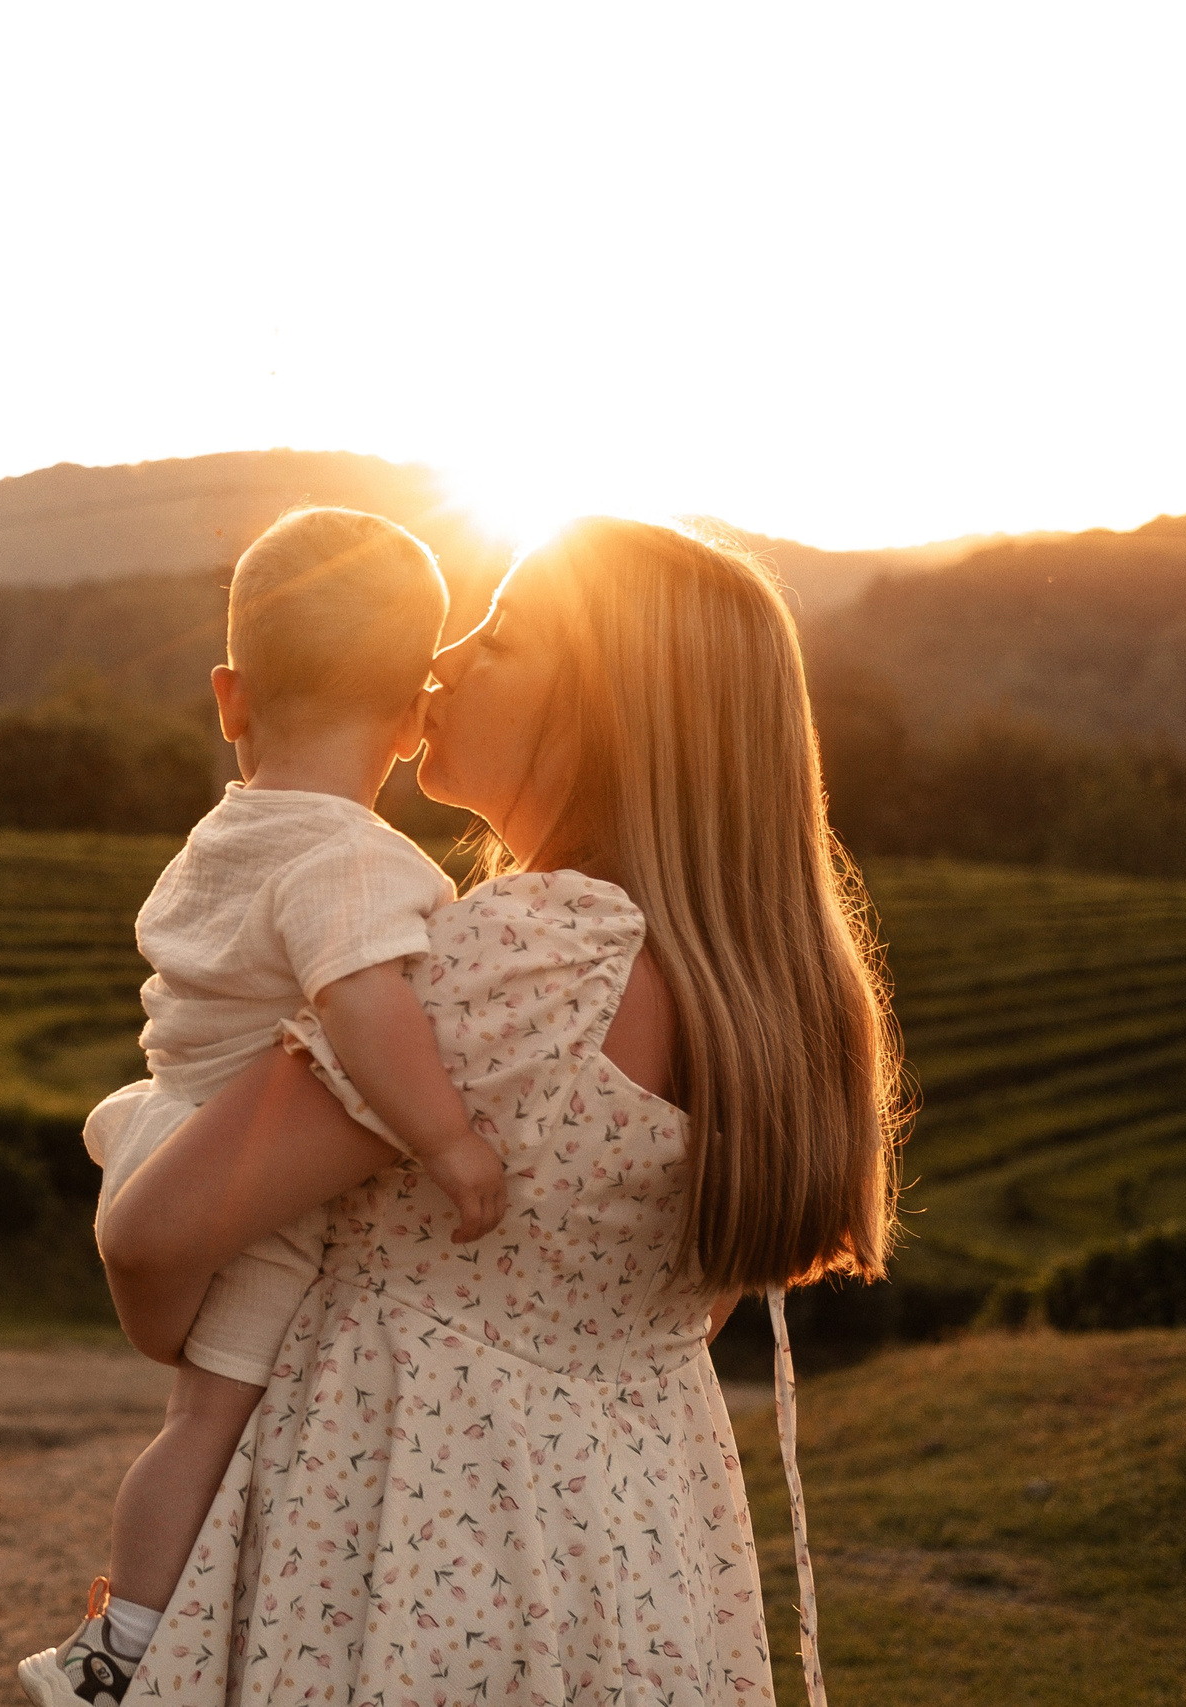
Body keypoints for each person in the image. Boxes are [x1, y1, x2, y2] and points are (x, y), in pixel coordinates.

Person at [95, 517, 901, 1706]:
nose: (443, 658)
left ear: (605, 709)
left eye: (500, 635)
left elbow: (151, 1232)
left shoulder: (537, 955)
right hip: (636, 1555)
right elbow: (681, 1302)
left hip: (407, 1540)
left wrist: (192, 1346)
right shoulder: (766, 996)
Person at [21, 507, 508, 1707]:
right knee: (207, 1418)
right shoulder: (356, 860)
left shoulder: (223, 834)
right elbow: (362, 1009)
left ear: (229, 699)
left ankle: (142, 1630)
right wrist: (448, 1140)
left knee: (190, 1413)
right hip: (238, 1173)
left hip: (162, 1117)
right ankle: (120, 1648)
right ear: (413, 719)